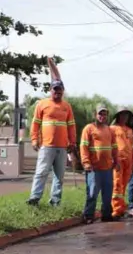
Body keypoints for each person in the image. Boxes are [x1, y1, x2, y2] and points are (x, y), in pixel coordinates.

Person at [27, 59, 76, 207]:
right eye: (55, 89)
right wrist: (34, 139)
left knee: (59, 176)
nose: (57, 92)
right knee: (41, 172)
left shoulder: (66, 106)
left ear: (62, 91)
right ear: (51, 90)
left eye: (60, 89)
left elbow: (71, 126)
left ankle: (55, 201)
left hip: (62, 147)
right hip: (46, 146)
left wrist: (72, 143)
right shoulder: (42, 104)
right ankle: (34, 198)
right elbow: (35, 124)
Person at [80, 105, 118, 224]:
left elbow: (114, 147)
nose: (102, 116)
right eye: (100, 114)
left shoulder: (109, 130)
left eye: (104, 114)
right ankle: (88, 215)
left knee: (107, 194)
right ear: (95, 114)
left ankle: (106, 214)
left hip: (107, 168)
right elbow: (84, 146)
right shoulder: (89, 129)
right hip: (93, 168)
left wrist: (116, 161)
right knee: (92, 193)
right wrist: (86, 162)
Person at [110, 108, 133, 219]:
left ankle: (121, 208)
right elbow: (110, 144)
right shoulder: (112, 129)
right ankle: (115, 210)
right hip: (118, 160)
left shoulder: (129, 130)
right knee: (117, 184)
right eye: (122, 115)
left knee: (124, 185)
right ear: (118, 116)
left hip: (128, 160)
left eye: (126, 115)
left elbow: (132, 146)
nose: (124, 117)